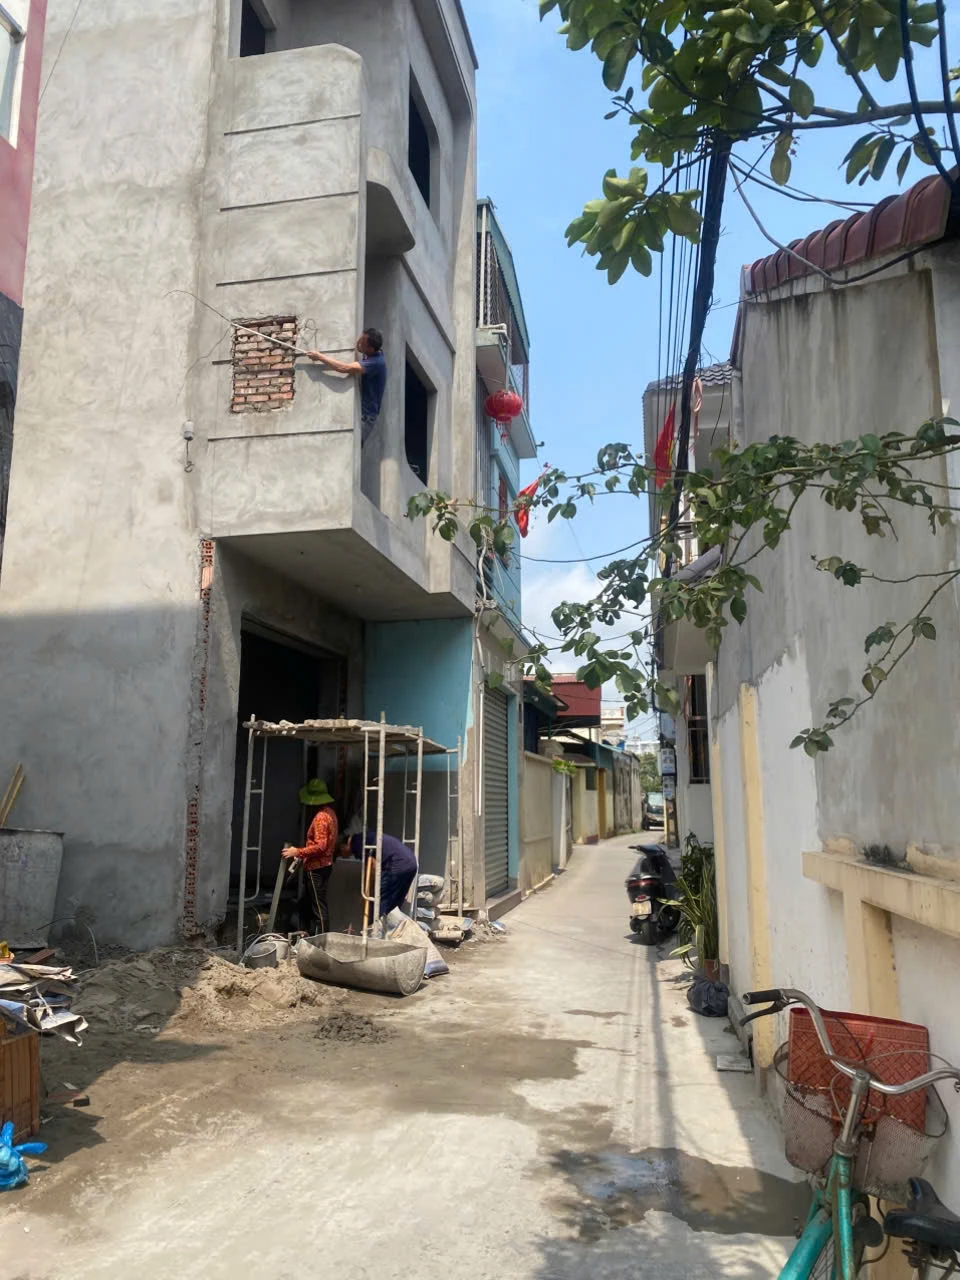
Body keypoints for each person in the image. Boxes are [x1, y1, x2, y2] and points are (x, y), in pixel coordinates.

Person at [306, 328, 386, 443]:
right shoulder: (373, 352)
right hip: (363, 411)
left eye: (363, 343)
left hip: (366, 416)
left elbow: (344, 368)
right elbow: (360, 349)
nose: (359, 343)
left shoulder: (376, 363)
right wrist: (360, 342)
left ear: (371, 349)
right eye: (361, 339)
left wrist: (319, 357)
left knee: (354, 444)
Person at [281, 779, 339, 934]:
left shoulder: (320, 818)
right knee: (306, 905)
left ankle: (322, 939)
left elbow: (320, 846)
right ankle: (305, 934)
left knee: (318, 907)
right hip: (324, 866)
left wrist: (298, 852)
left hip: (316, 868)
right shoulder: (330, 813)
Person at [340, 828, 417, 921]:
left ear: (343, 846)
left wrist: (366, 892)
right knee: (394, 906)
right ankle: (392, 927)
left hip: (397, 864)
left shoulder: (357, 843)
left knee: (380, 904)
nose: (343, 856)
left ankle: (376, 927)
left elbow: (372, 867)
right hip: (411, 863)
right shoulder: (364, 837)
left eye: (340, 853)